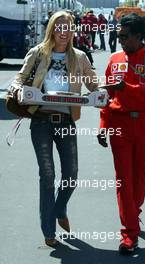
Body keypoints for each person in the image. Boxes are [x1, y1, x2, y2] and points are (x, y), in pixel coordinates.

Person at [10, 11, 98, 247]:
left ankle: (59, 209)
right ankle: (49, 231)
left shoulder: (79, 56)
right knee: (47, 176)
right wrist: (19, 89)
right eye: (59, 26)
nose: (64, 30)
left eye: (68, 26)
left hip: (66, 120)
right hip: (40, 121)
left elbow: (92, 82)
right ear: (51, 29)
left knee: (71, 175)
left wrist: (100, 91)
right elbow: (19, 78)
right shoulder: (38, 53)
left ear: (72, 30)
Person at [97, 13, 145, 254]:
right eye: (118, 36)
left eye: (125, 37)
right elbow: (105, 95)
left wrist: (128, 87)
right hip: (119, 124)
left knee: (141, 175)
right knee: (123, 178)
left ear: (138, 36)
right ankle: (129, 233)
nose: (121, 41)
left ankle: (133, 214)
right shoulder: (114, 59)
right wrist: (103, 124)